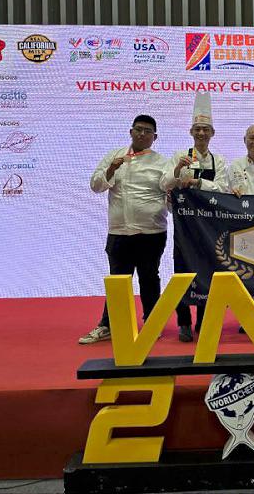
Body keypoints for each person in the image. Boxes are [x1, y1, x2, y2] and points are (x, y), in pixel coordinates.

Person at [79, 115, 173, 345]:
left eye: (148, 131)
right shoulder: (114, 156)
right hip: (119, 231)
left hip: (151, 231)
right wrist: (111, 169)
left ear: (155, 137)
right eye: (138, 129)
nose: (142, 134)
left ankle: (152, 324)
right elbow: (96, 186)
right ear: (131, 132)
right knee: (118, 281)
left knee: (149, 278)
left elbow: (169, 193)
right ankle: (108, 326)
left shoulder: (162, 162)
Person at [168, 93, 228, 343]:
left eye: (206, 130)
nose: (201, 133)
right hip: (185, 226)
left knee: (209, 271)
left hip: (209, 227)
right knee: (182, 272)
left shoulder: (219, 160)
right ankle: (184, 322)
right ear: (191, 132)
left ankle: (204, 320)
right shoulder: (180, 156)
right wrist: (176, 171)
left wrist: (197, 182)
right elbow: (165, 185)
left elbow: (222, 189)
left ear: (212, 133)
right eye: (197, 129)